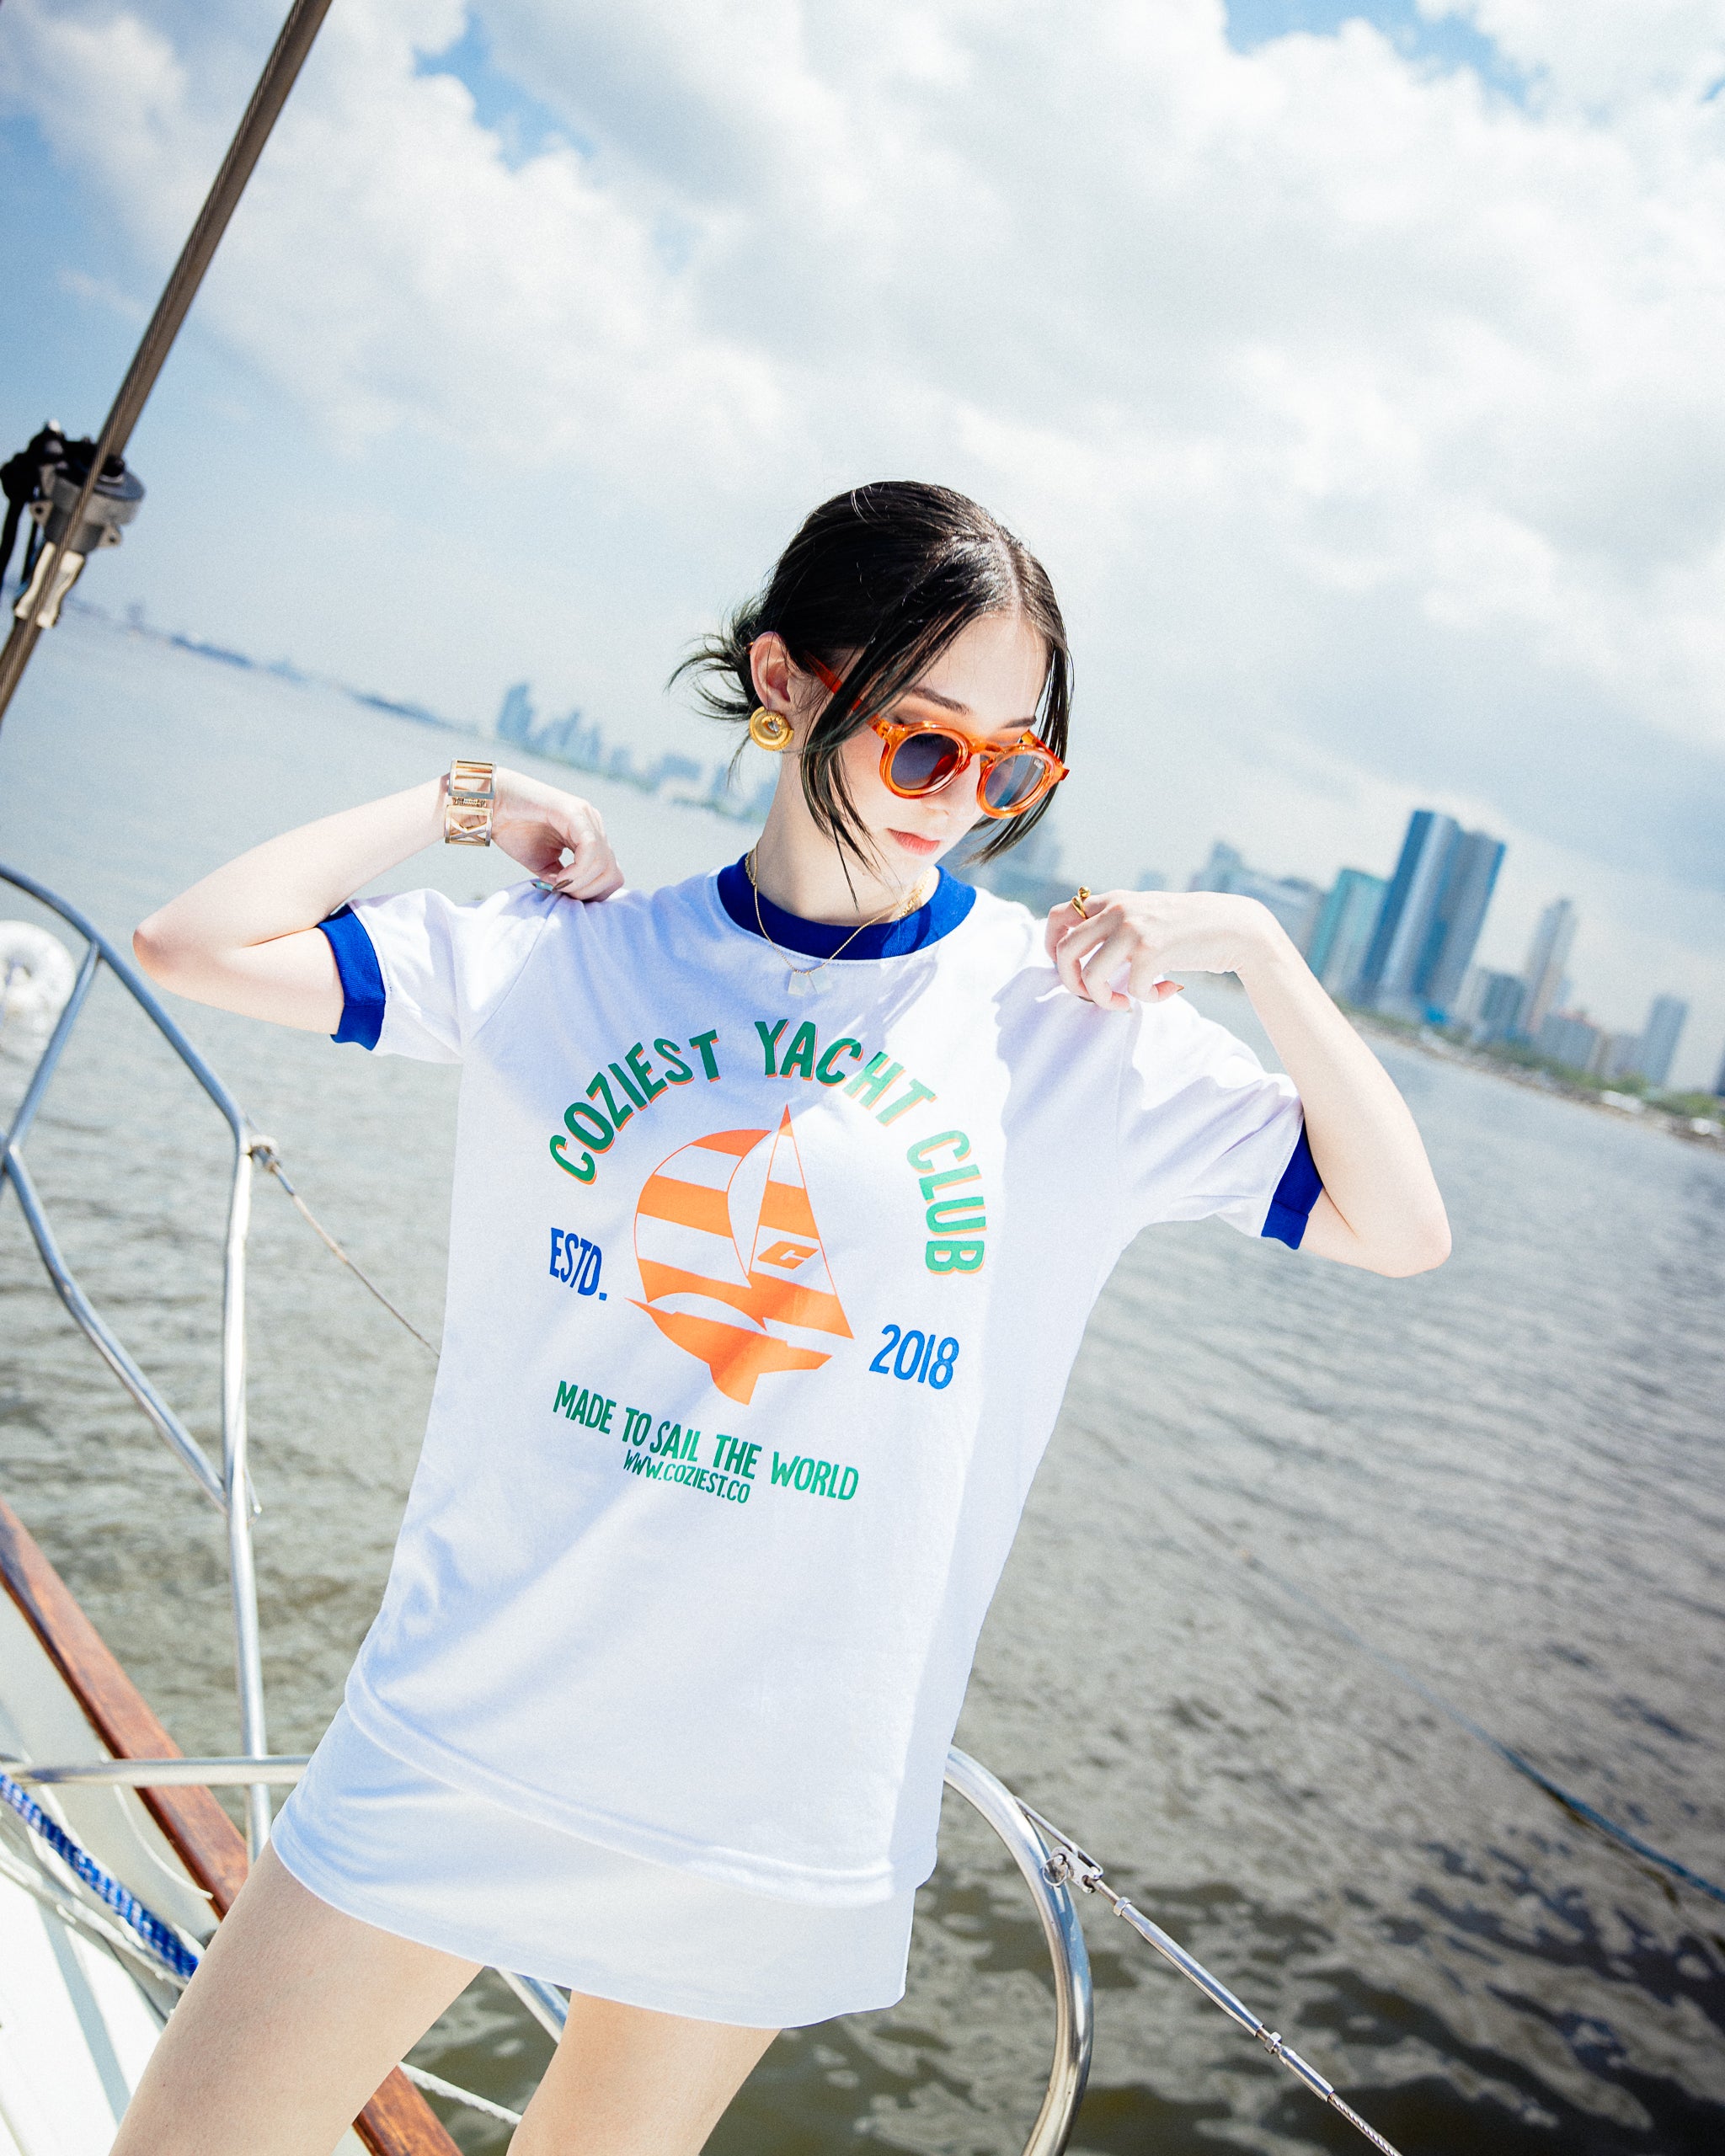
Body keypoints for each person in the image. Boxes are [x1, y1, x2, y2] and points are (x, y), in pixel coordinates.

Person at [124, 480, 1449, 2156]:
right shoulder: (582, 961)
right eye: (922, 744)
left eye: (1012, 768)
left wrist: (1253, 945)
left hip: (762, 1796)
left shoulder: (1065, 1037)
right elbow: (192, 940)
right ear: (788, 683)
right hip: (464, 1722)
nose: (960, 801)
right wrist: (471, 796)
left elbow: (1400, 1224)